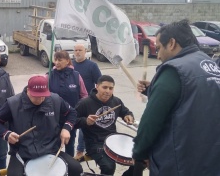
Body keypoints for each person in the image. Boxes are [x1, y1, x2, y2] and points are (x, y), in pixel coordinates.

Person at [133, 19, 220, 175]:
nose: (158, 55)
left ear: (172, 43)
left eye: (159, 48)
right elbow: (194, 97)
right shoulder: (210, 64)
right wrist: (153, 88)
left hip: (180, 163)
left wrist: (139, 153)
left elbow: (150, 122)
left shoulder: (173, 71)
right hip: (210, 161)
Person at [0, 75, 83, 176]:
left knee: (76, 169)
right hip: (22, 152)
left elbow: (72, 112)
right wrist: (7, 134)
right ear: (28, 91)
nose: (40, 99)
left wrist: (67, 128)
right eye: (36, 96)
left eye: (43, 95)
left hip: (51, 150)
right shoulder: (13, 103)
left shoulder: (55, 99)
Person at [75, 75, 134, 175]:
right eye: (104, 87)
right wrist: (86, 121)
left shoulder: (116, 101)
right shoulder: (85, 103)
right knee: (109, 166)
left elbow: (125, 111)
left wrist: (128, 116)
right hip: (94, 143)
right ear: (97, 86)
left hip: (113, 140)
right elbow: (72, 121)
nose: (108, 91)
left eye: (111, 88)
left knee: (141, 160)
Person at [47, 50, 88, 157]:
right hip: (53, 118)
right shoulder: (49, 76)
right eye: (55, 60)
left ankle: (70, 167)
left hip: (71, 117)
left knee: (70, 143)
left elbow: (84, 96)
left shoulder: (76, 76)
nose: (57, 62)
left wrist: (77, 111)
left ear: (67, 61)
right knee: (53, 145)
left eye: (60, 60)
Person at [72, 44, 102, 160]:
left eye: (80, 50)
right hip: (73, 101)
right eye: (76, 50)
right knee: (73, 125)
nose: (78, 52)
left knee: (85, 127)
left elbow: (99, 82)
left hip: (87, 101)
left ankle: (80, 150)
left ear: (86, 52)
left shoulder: (92, 66)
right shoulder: (71, 65)